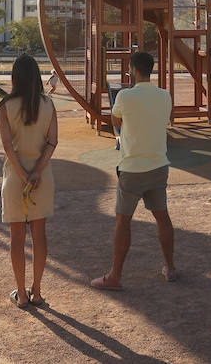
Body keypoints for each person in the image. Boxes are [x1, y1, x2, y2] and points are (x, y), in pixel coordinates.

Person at [91, 50, 178, 290]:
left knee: (123, 221)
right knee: (162, 217)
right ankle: (170, 267)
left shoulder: (125, 96)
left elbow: (115, 121)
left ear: (133, 69)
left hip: (132, 167)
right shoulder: (164, 95)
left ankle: (115, 275)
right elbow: (165, 119)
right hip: (159, 164)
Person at [0, 53, 58, 308]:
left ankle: (21, 293)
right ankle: (37, 290)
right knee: (40, 235)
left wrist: (23, 176)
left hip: (14, 178)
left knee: (17, 237)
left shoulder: (5, 106)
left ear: (14, 77)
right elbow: (52, 142)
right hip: (42, 178)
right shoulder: (48, 104)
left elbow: (8, 147)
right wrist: (35, 174)